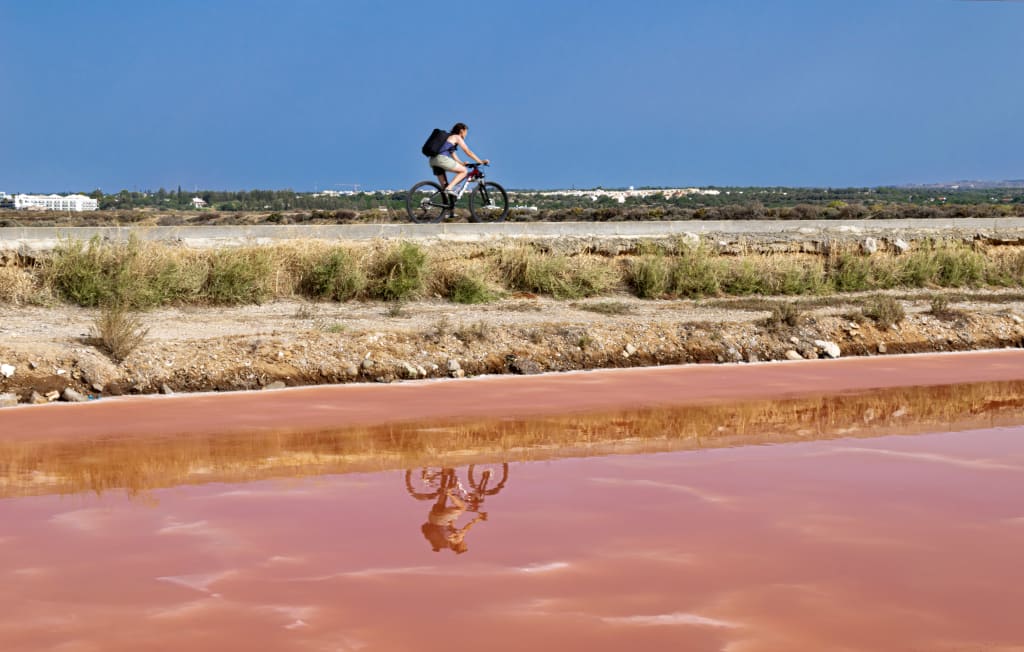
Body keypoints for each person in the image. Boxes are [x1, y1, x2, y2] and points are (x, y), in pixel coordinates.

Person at [428, 122, 490, 201]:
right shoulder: (457, 137)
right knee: (464, 171)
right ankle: (449, 188)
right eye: (466, 132)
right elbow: (468, 152)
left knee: (445, 188)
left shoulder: (449, 138)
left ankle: (447, 208)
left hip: (433, 160)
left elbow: (453, 155)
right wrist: (480, 161)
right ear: (461, 131)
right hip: (441, 159)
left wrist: (461, 163)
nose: (466, 134)